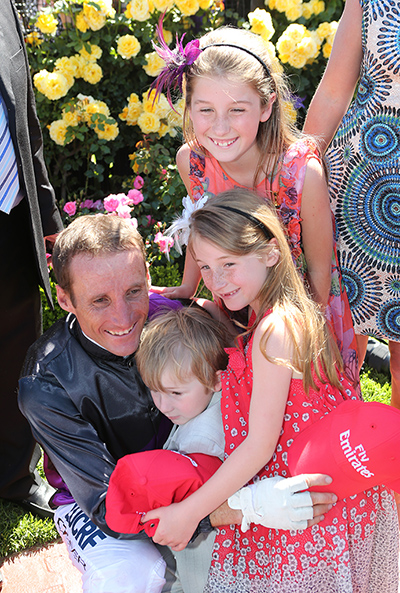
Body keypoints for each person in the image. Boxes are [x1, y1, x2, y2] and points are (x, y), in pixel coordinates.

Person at [18, 214, 336, 593]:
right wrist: (245, 508)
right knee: (133, 576)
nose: (123, 317)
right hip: (99, 502)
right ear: (65, 299)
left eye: (135, 291)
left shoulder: (181, 317)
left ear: (149, 276)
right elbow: (109, 509)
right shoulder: (45, 384)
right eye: (99, 300)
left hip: (200, 472)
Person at [143, 190, 399, 592]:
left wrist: (190, 512)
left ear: (270, 253)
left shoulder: (274, 332)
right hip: (317, 490)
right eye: (206, 267)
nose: (217, 281)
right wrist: (217, 317)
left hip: (304, 505)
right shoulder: (277, 315)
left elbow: (260, 446)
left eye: (229, 264)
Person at [150, 24, 359, 388]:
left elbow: (321, 275)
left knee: (304, 406)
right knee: (244, 396)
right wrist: (187, 286)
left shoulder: (299, 173)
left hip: (301, 308)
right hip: (235, 300)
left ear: (265, 106)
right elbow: (203, 228)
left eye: (237, 110)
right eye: (205, 109)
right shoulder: (194, 163)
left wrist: (300, 333)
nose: (220, 127)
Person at [303, 0, 400, 410]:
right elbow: (333, 93)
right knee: (341, 336)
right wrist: (299, 166)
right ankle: (335, 444)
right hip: (358, 188)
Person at [0, 0, 63, 517]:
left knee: (17, 344)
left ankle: (14, 475)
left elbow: (26, 126)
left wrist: (47, 225)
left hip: (11, 216)